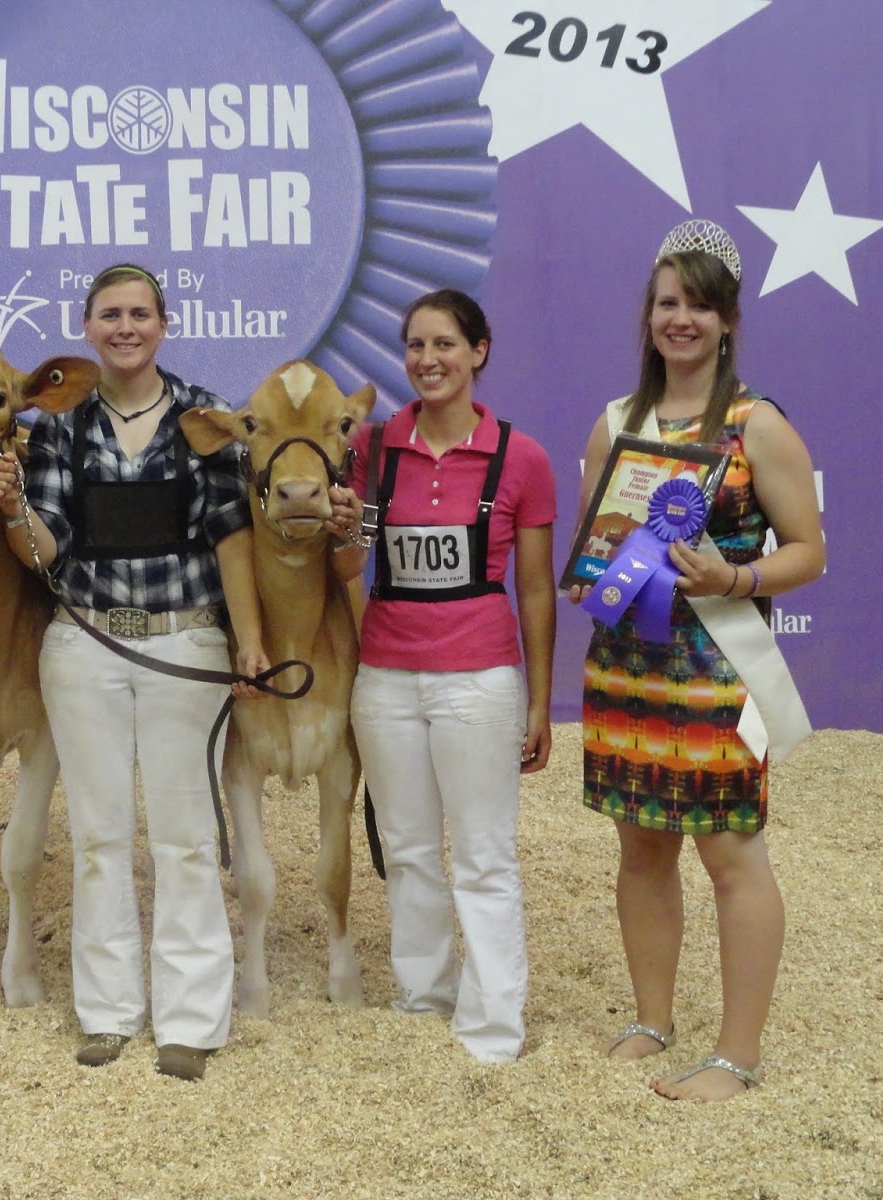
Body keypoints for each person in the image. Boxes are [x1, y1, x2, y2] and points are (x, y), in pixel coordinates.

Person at [0, 263, 267, 1081]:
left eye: (139, 313)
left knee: (185, 838)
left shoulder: (203, 416)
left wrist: (247, 641)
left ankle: (191, 1021)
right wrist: (11, 508)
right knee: (101, 835)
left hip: (185, 645)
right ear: (88, 325)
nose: (125, 327)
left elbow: (231, 535)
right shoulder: (63, 426)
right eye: (110, 314)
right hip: (87, 643)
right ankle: (107, 1012)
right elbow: (45, 553)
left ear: (163, 322)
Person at [567, 220, 824, 1101]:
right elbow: (592, 542)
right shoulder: (614, 424)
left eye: (699, 305)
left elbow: (810, 551)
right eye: (668, 303)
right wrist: (587, 576)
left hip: (717, 668)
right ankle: (651, 1019)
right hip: (625, 669)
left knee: (731, 855)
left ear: (726, 319)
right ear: (649, 317)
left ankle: (736, 1055)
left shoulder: (761, 425)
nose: (681, 319)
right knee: (641, 849)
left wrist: (736, 573)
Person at [327, 288, 557, 1064]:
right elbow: (352, 560)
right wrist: (342, 526)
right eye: (417, 346)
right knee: (408, 846)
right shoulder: (371, 447)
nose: (429, 360)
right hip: (386, 676)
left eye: (446, 345)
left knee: (485, 853)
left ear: (479, 351)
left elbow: (533, 587)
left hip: (480, 677)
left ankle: (494, 1020)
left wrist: (539, 698)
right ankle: (423, 995)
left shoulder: (521, 458)